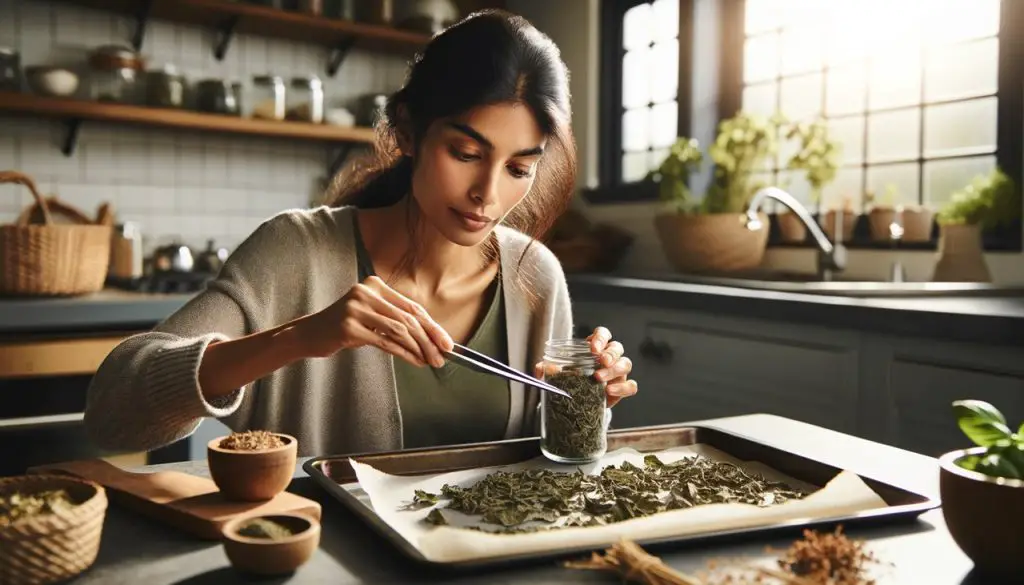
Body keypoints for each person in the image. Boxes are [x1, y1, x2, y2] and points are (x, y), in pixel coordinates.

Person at [84, 10, 638, 458]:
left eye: (519, 168)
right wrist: (298, 338)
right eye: (466, 153)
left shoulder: (535, 275)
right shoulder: (295, 253)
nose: (487, 194)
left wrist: (589, 401)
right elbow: (112, 413)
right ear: (406, 131)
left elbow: (550, 467)